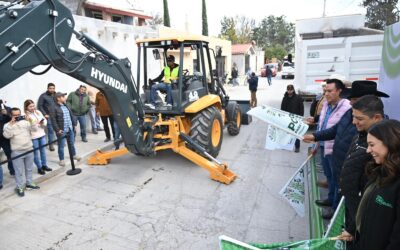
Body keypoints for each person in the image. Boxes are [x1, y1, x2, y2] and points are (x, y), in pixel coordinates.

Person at [303, 80, 390, 219]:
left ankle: (339, 216)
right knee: (336, 186)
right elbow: (335, 129)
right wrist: (314, 136)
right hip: (341, 166)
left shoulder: (380, 139)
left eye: (355, 100)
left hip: (355, 186)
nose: (354, 121)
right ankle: (334, 205)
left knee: (349, 206)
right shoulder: (351, 114)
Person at [338, 119, 400, 250]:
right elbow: (366, 206)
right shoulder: (379, 170)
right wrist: (353, 230)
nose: (368, 150)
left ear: (391, 143)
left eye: (372, 145)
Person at [333, 95, 384, 249]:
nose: (354, 122)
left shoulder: (382, 150)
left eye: (359, 118)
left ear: (377, 117)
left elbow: (369, 195)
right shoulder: (360, 135)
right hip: (351, 209)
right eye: (353, 117)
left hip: (362, 219)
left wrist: (354, 226)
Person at [311, 78, 351, 217]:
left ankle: (334, 208)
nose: (326, 94)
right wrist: (316, 142)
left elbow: (337, 130)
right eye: (325, 91)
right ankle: (330, 198)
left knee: (336, 178)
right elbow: (323, 124)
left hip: (335, 149)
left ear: (339, 91)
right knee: (328, 176)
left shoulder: (347, 107)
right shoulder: (327, 104)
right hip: (323, 145)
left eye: (329, 91)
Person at [3, 107, 40, 197]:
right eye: (14, 115)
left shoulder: (26, 122)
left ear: (21, 114)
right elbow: (7, 136)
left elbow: (35, 129)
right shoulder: (7, 125)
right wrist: (11, 125)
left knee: (29, 169)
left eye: (18, 115)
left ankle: (29, 183)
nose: (16, 117)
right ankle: (19, 187)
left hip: (29, 149)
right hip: (17, 151)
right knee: (18, 171)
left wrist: (30, 120)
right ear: (11, 115)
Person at [50, 92, 81, 167]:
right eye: (63, 96)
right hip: (61, 129)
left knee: (71, 143)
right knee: (61, 145)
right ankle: (61, 159)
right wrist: (57, 130)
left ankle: (74, 155)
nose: (65, 98)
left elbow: (71, 114)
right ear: (58, 98)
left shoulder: (66, 105)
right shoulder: (53, 107)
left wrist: (74, 123)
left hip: (70, 128)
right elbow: (53, 120)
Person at [24, 99, 51, 175]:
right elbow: (31, 128)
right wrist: (37, 124)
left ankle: (44, 165)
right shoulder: (26, 116)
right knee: (36, 153)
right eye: (30, 106)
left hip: (42, 134)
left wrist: (42, 123)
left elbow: (45, 121)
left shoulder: (38, 112)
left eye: (33, 105)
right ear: (26, 108)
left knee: (43, 151)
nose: (32, 108)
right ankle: (39, 168)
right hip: (33, 137)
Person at [281, 84, 304, 152]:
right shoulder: (285, 98)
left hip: (296, 119)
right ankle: (287, 145)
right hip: (287, 118)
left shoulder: (298, 98)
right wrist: (282, 117)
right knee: (287, 133)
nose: (289, 91)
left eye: (291, 90)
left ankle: (297, 147)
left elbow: (301, 108)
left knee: (296, 134)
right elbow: (282, 108)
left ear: (293, 90)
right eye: (288, 90)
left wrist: (301, 117)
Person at [38, 83, 56, 151]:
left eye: (53, 88)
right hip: (49, 116)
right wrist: (45, 114)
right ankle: (51, 144)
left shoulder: (56, 95)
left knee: (57, 129)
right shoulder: (43, 96)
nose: (52, 90)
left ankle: (57, 141)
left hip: (56, 116)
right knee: (51, 131)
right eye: (50, 88)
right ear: (48, 88)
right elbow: (40, 106)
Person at [0, 100, 15, 175]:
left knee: (9, 154)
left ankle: (12, 170)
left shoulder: (8, 109)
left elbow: (13, 119)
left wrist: (7, 113)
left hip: (5, 137)